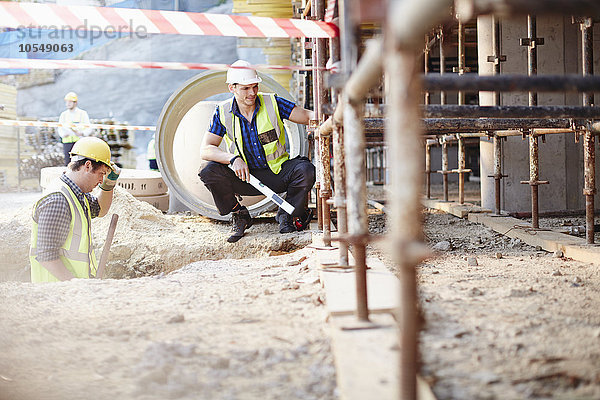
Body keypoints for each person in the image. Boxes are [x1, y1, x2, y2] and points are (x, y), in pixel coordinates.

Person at [199, 60, 315, 243]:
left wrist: (330, 117)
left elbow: (307, 116)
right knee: (208, 171)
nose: (252, 93)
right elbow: (206, 149)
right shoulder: (222, 112)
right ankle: (240, 214)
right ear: (232, 88)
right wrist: (232, 159)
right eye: (245, 88)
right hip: (245, 177)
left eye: (254, 86)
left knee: (305, 170)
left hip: (277, 173)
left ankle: (287, 215)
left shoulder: (272, 102)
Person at [29, 137, 121, 282]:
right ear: (88, 165)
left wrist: (109, 185)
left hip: (72, 290)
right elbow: (46, 256)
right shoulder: (58, 201)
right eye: (101, 174)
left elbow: (100, 209)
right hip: (56, 292)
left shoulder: (77, 194)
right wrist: (75, 285)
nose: (101, 180)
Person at [58, 91, 93, 166]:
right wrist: (64, 134)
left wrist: (82, 133)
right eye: (67, 102)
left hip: (79, 143)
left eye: (70, 102)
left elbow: (89, 127)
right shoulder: (63, 115)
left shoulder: (82, 114)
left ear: (75, 103)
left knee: (80, 163)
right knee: (68, 164)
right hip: (67, 142)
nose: (68, 103)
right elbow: (60, 128)